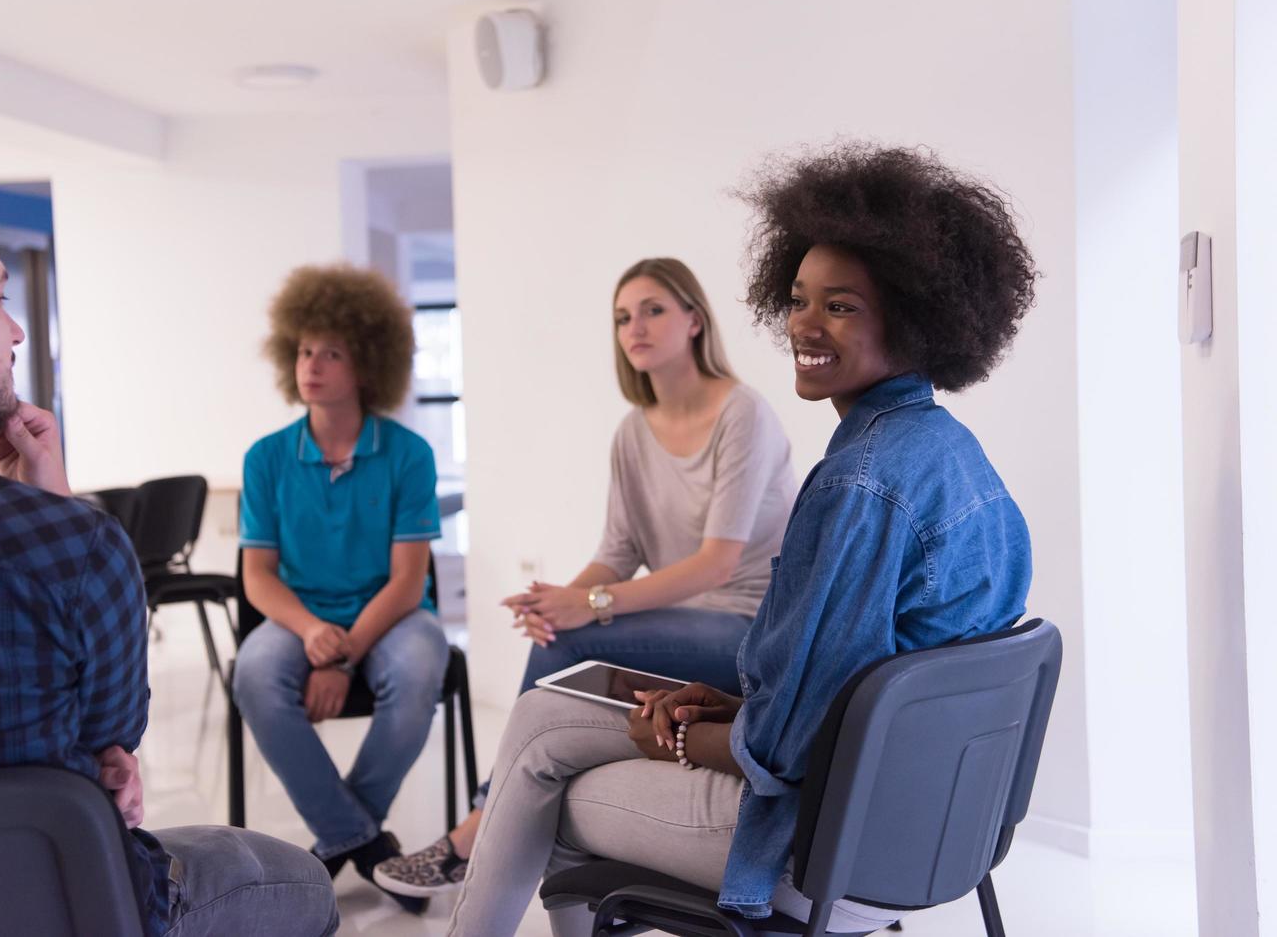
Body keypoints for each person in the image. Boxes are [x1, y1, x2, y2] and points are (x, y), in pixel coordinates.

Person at [444, 143, 1039, 936]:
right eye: (797, 299)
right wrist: (726, 703)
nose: (803, 323)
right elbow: (851, 693)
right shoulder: (952, 456)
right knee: (545, 729)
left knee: (546, 774)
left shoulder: (856, 485)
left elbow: (788, 749)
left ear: (913, 314)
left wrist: (688, 735)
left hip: (827, 851)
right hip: (936, 835)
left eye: (841, 305)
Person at [0, 165, 338, 937]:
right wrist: (48, 503)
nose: (16, 331)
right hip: (47, 911)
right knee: (290, 878)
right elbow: (108, 751)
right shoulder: (63, 544)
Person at [375, 257, 797, 899]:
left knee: (570, 643)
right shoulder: (634, 431)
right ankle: (531, 830)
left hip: (751, 630)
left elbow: (715, 562)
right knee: (558, 638)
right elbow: (619, 550)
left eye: (654, 309)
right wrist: (563, 600)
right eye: (623, 316)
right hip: (687, 624)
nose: (636, 326)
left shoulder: (743, 414)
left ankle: (480, 829)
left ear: (694, 320)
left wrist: (591, 607)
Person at [232, 264, 451, 914]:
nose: (313, 365)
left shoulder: (409, 454)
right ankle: (360, 837)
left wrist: (345, 653)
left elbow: (409, 581)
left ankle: (336, 834)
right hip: (299, 613)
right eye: (304, 351)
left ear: (367, 366)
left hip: (390, 614)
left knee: (418, 668)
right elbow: (257, 577)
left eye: (332, 353)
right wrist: (311, 635)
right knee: (252, 673)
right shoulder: (265, 458)